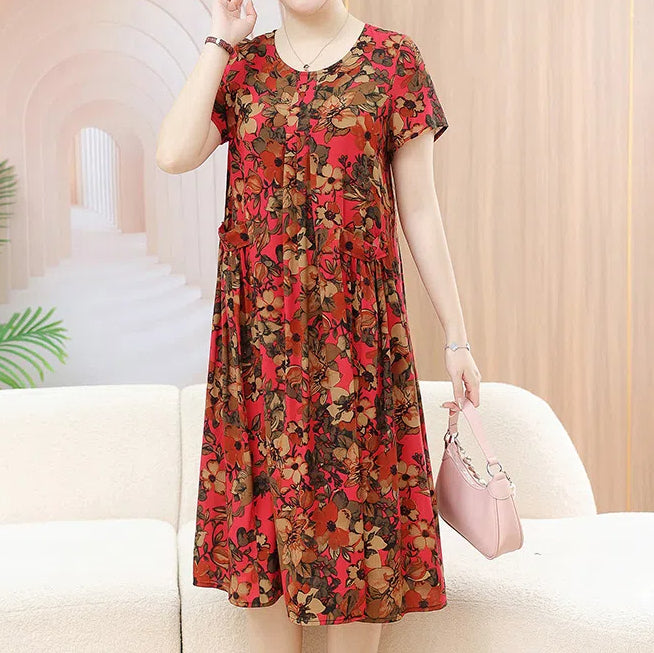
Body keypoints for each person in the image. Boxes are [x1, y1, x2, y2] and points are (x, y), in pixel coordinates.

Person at [156, 1, 482, 651]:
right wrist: (220, 38)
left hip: (356, 345)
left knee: (356, 542)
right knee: (267, 544)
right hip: (260, 350)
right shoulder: (242, 67)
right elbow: (172, 153)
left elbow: (420, 209)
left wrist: (456, 335)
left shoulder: (393, 59)